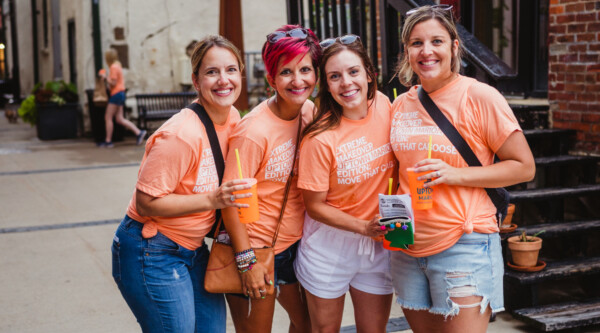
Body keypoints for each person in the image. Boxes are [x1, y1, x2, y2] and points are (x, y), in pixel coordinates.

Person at [389, 5, 536, 333]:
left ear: (454, 47)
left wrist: (455, 174)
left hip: (464, 244)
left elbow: (524, 167)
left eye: (437, 41)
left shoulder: (480, 96)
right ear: (407, 51)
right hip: (407, 243)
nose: (426, 51)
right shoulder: (401, 104)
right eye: (416, 43)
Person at [110, 35, 252, 333]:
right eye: (212, 72)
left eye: (231, 70)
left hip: (193, 248)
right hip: (151, 250)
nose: (223, 80)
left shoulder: (234, 117)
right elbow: (146, 203)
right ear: (196, 81)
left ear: (241, 74)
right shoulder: (180, 135)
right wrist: (212, 200)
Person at [221, 25, 321, 333]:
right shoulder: (253, 132)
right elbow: (229, 203)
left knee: (306, 325)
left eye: (305, 69)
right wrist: (246, 263)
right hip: (254, 247)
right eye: (286, 72)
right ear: (271, 80)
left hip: (293, 245)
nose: (297, 80)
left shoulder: (308, 112)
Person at [294, 35, 397, 333]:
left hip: (379, 241)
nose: (346, 83)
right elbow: (314, 207)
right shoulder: (319, 138)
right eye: (335, 77)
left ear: (368, 73)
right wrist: (363, 227)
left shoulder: (385, 106)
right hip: (329, 246)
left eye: (353, 72)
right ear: (326, 85)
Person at [99, 48, 146, 148]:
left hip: (116, 94)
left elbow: (113, 83)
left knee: (108, 117)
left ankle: (108, 141)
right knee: (119, 119)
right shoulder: (118, 66)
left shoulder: (113, 67)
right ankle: (139, 132)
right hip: (120, 93)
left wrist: (104, 77)